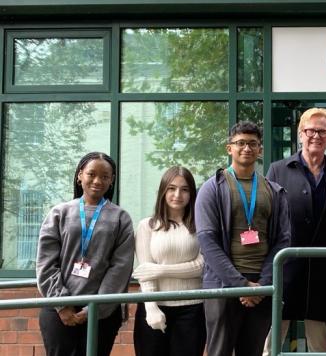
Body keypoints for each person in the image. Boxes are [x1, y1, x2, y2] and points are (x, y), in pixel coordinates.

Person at [195, 121, 291, 356]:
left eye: (252, 144)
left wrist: (262, 285)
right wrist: (240, 286)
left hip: (262, 285)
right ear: (229, 148)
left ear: (260, 150)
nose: (246, 148)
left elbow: (283, 240)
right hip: (223, 285)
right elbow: (207, 240)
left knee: (254, 350)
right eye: (240, 143)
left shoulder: (273, 190)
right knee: (220, 351)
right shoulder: (212, 188)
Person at [262, 108, 326, 355]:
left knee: (319, 346)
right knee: (271, 343)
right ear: (301, 134)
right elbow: (267, 218)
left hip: (322, 273)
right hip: (284, 270)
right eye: (310, 130)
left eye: (323, 131)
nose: (316, 136)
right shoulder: (278, 170)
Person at [36, 152, 135, 356]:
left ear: (112, 180)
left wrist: (95, 309)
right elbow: (46, 263)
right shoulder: (59, 213)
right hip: (58, 309)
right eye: (91, 174)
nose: (98, 181)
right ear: (80, 175)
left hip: (103, 312)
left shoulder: (121, 218)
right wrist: (62, 304)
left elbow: (121, 268)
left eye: (105, 176)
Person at [132, 166, 206, 356]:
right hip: (154, 306)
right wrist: (151, 307)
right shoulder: (147, 226)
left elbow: (202, 266)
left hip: (192, 308)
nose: (177, 194)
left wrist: (160, 270)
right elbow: (145, 275)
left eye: (185, 189)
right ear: (163, 191)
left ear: (192, 193)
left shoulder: (201, 225)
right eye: (172, 188)